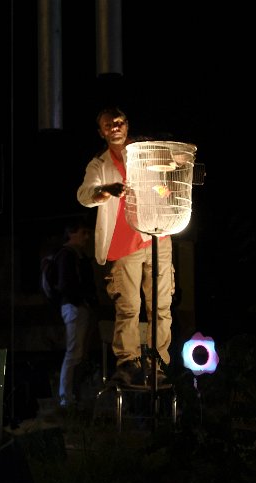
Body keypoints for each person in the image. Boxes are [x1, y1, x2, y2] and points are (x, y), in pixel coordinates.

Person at [76, 106, 175, 387]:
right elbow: (84, 194)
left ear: (127, 125)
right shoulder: (99, 164)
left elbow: (163, 184)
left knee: (161, 305)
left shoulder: (145, 152)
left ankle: (158, 363)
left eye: (119, 122)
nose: (115, 128)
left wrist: (165, 191)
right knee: (129, 307)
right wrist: (106, 190)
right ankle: (129, 363)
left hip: (156, 237)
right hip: (123, 244)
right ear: (102, 132)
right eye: (109, 125)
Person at [55, 218, 97, 408]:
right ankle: (66, 397)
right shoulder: (67, 255)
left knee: (77, 353)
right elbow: (66, 284)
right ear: (71, 233)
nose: (86, 237)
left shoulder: (75, 255)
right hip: (74, 306)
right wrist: (83, 299)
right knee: (73, 352)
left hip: (77, 306)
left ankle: (71, 395)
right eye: (83, 233)